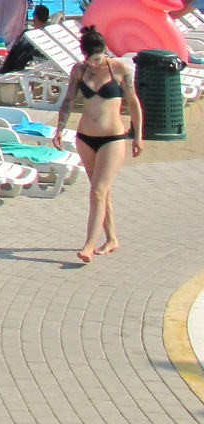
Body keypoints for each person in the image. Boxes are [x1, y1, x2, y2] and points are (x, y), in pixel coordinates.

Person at [54, 27, 142, 262]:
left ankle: (88, 246)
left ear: (105, 51)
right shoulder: (79, 70)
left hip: (113, 138)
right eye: (88, 60)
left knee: (98, 191)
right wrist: (60, 128)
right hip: (85, 138)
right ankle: (111, 238)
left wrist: (138, 136)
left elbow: (133, 103)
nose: (92, 64)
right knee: (101, 193)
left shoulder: (119, 69)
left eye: (96, 59)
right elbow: (68, 100)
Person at [0, 5, 52, 73]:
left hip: (31, 59)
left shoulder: (29, 33)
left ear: (35, 17)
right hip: (44, 59)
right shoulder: (49, 32)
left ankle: (4, 70)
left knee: (19, 46)